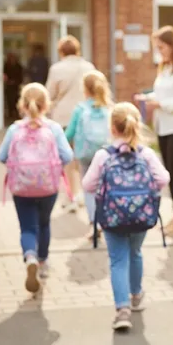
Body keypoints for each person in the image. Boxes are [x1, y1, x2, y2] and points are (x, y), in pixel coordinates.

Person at [81, 102, 169, 331]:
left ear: (112, 128)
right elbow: (163, 179)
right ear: (136, 126)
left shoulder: (103, 155)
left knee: (118, 260)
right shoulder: (145, 153)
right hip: (141, 215)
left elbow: (87, 184)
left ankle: (122, 310)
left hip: (112, 217)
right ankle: (136, 295)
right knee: (135, 252)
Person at [0, 83, 74, 293]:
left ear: (22, 105)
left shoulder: (14, 129)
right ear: (46, 105)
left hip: (21, 187)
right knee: (44, 224)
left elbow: (1, 156)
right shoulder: (54, 129)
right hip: (48, 186)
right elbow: (67, 156)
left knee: (28, 227)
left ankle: (29, 255)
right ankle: (42, 262)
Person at [134, 26, 173, 237]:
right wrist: (148, 97)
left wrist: (158, 104)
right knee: (171, 172)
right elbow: (164, 92)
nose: (159, 51)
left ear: (172, 45)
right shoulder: (166, 67)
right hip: (165, 127)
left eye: (161, 47)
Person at [46, 35, 95, 212]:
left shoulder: (57, 69)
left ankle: (71, 195)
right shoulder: (88, 67)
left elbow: (48, 94)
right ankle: (85, 194)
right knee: (84, 156)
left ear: (61, 51)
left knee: (68, 159)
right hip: (85, 117)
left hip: (63, 119)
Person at [65, 70, 113, 237]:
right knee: (104, 187)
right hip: (105, 153)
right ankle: (105, 218)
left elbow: (69, 133)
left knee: (89, 187)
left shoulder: (80, 109)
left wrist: (61, 145)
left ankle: (94, 221)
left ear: (85, 90)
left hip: (85, 153)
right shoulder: (108, 108)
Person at [3, 52, 24, 121]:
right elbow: (4, 74)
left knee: (16, 99)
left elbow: (21, 76)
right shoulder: (6, 65)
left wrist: (15, 82)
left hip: (16, 86)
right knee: (9, 100)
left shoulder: (19, 66)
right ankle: (10, 114)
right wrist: (8, 81)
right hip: (8, 86)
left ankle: (17, 114)